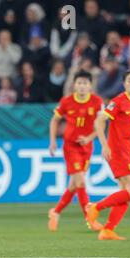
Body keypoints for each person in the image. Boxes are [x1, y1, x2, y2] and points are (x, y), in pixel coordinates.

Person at [48, 71, 104, 232]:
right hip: (71, 146)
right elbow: (55, 120)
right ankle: (90, 219)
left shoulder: (97, 101)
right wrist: (52, 141)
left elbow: (101, 124)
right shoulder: (66, 101)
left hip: (87, 147)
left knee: (74, 185)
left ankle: (56, 211)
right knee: (80, 182)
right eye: (79, 83)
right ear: (74, 85)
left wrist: (90, 138)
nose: (82, 86)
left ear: (90, 86)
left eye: (85, 83)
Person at [86, 70, 130, 240]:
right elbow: (100, 120)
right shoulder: (119, 101)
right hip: (117, 149)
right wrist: (104, 144)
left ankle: (107, 230)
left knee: (127, 192)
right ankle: (95, 207)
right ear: (124, 84)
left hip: (127, 149)